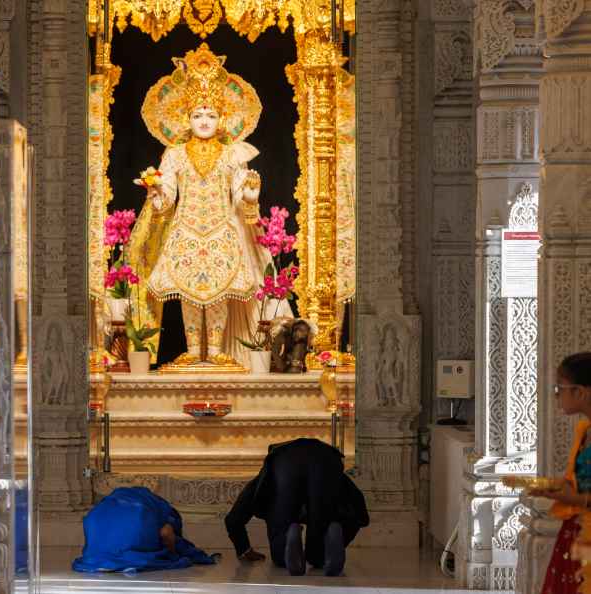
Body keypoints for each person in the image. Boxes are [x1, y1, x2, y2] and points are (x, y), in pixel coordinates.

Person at [129, 43, 291, 366]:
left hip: (221, 230)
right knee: (189, 290)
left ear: (222, 118)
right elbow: (169, 197)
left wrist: (248, 197)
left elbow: (238, 189)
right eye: (198, 114)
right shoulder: (174, 154)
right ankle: (192, 350)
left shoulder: (233, 154)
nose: (204, 120)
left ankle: (215, 351)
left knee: (219, 289)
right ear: (186, 118)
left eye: (211, 114)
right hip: (187, 229)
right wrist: (158, 188)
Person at [224, 438, 368, 576]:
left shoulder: (275, 465)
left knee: (280, 555)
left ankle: (289, 537)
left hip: (285, 464)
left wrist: (243, 547)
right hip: (327, 459)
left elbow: (240, 508)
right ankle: (328, 539)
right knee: (318, 553)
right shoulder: (325, 458)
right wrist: (345, 534)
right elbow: (357, 503)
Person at [534, 353, 591, 594]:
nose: (557, 396)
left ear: (580, 392)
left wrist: (573, 499)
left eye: (559, 388)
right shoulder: (585, 430)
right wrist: (556, 487)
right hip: (577, 531)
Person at [72, 486, 217, 573]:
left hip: (94, 554)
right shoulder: (158, 509)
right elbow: (166, 533)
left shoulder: (115, 501)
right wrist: (172, 554)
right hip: (132, 530)